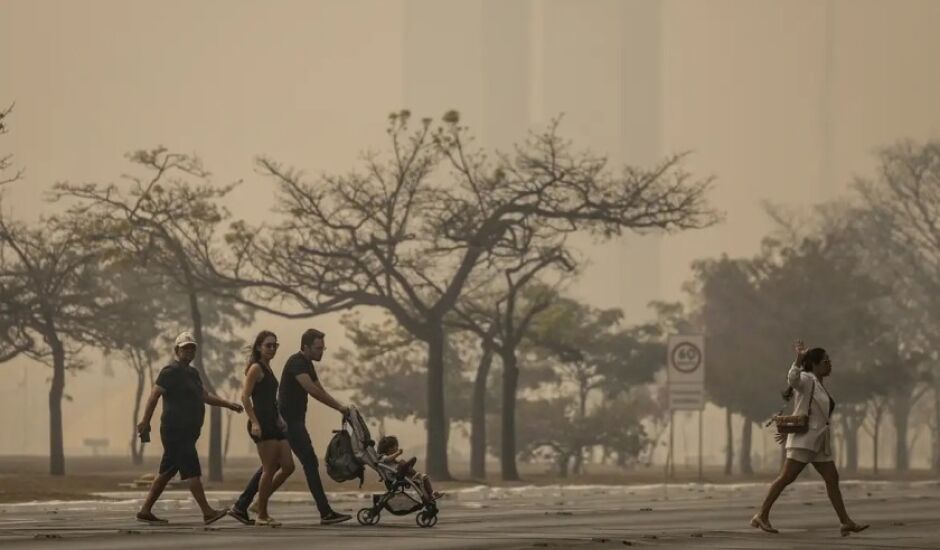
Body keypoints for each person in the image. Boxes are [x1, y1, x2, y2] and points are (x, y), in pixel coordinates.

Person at [229, 328, 352, 525]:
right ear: (306, 347)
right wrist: (338, 407)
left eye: (274, 346)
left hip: (282, 420)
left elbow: (319, 387)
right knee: (308, 462)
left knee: (277, 466)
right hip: (288, 421)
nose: (322, 351)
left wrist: (341, 406)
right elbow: (312, 390)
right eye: (318, 348)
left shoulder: (305, 364)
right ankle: (325, 512)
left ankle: (245, 505)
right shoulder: (296, 363)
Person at [751, 339, 869, 537]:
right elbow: (792, 379)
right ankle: (761, 515)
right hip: (805, 440)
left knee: (832, 478)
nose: (829, 364)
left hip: (819, 442)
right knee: (786, 478)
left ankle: (845, 522)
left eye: (829, 360)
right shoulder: (806, 379)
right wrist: (798, 359)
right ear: (814, 364)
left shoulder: (819, 384)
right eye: (825, 361)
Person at [136, 331, 244, 525]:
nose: (189, 351)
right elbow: (154, 396)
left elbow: (205, 396)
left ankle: (145, 510)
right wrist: (145, 421)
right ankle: (207, 512)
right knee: (193, 471)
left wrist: (228, 404)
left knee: (167, 472)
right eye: (185, 348)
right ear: (177, 350)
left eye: (192, 348)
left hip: (188, 432)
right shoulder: (169, 371)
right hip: (176, 430)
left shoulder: (192, 374)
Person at [240, 330, 295, 527]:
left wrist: (280, 417)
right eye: (268, 345)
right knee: (269, 468)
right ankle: (262, 514)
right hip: (261, 421)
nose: (272, 349)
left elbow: (272, 399)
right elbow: (245, 397)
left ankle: (258, 502)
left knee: (288, 466)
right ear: (259, 347)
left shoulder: (268, 368)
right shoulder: (255, 368)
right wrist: (254, 422)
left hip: (274, 421)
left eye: (275, 345)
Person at [376, 435, 442, 501]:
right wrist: (397, 453)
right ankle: (415, 474)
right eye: (395, 447)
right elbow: (387, 459)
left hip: (400, 473)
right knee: (402, 462)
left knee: (424, 477)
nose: (396, 449)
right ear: (389, 449)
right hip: (395, 476)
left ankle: (431, 494)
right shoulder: (382, 457)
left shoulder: (392, 461)